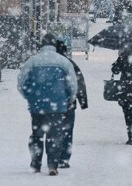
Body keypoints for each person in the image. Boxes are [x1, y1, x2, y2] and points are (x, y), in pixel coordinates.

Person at [17, 33, 78, 176]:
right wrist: (68, 99)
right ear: (54, 45)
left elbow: (21, 83)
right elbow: (73, 85)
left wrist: (29, 97)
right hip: (58, 105)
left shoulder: (32, 61)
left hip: (37, 105)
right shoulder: (64, 62)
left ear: (42, 45)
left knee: (37, 135)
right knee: (54, 135)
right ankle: (52, 165)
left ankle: (35, 164)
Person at [55, 40, 88, 169]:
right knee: (67, 131)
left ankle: (53, 156)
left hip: (50, 103)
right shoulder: (69, 64)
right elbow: (79, 81)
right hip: (68, 103)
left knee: (53, 130)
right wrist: (83, 101)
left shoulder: (47, 64)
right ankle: (64, 158)